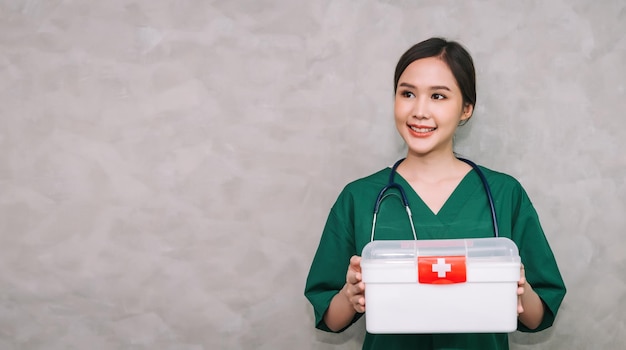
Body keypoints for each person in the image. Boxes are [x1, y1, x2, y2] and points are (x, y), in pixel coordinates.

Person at [304, 37, 566, 349]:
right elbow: (332, 321)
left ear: (466, 109)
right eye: (407, 93)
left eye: (438, 96)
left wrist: (518, 288)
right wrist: (351, 296)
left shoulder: (504, 194)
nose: (419, 110)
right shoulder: (359, 198)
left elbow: (537, 318)